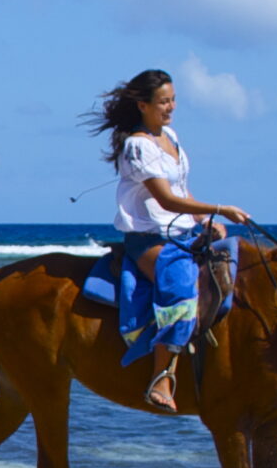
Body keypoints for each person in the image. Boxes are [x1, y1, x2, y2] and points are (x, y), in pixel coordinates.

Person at [86, 68, 251, 413]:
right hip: (147, 239)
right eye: (163, 102)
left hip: (183, 233)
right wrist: (220, 208)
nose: (171, 107)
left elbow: (181, 190)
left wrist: (205, 220)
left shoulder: (171, 137)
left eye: (173, 99)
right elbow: (166, 200)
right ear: (143, 105)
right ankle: (161, 377)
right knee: (181, 289)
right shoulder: (136, 146)